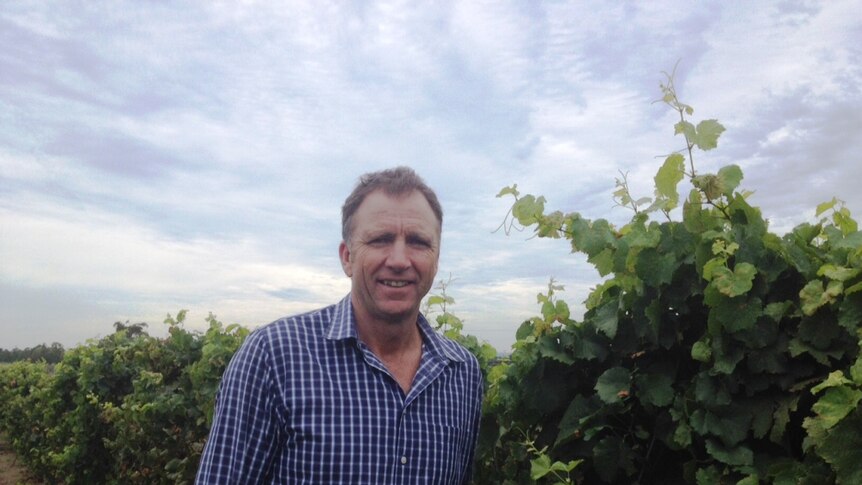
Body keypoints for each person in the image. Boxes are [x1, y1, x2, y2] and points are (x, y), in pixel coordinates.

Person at [195, 166, 484, 484]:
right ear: (347, 257)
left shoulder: (462, 374)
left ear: (436, 260)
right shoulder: (273, 357)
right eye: (380, 240)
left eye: (417, 242)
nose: (400, 260)